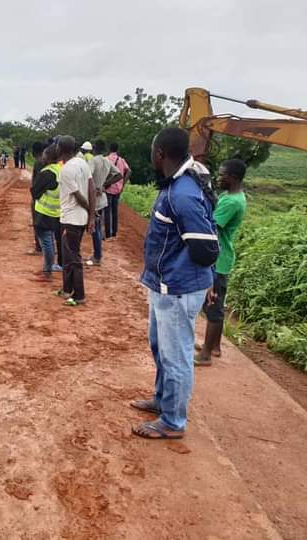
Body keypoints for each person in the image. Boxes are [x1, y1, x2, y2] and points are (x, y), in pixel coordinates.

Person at [131, 127, 219, 440]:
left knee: (176, 355)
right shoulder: (176, 185)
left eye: (152, 152)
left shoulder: (183, 193)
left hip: (178, 289)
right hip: (164, 285)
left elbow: (207, 247)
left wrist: (195, 276)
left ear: (160, 154)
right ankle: (162, 400)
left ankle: (173, 422)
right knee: (160, 348)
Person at [195, 159, 247, 366]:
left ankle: (206, 354)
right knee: (217, 303)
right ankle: (214, 347)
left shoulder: (231, 202)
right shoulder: (231, 196)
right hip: (223, 257)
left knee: (213, 306)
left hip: (218, 258)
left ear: (233, 177)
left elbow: (211, 224)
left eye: (222, 174)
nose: (219, 177)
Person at [55, 136, 94, 306]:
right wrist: (91, 214)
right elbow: (91, 188)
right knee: (69, 255)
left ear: (60, 149)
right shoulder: (82, 163)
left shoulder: (66, 170)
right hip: (79, 218)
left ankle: (79, 295)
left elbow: (79, 196)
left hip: (71, 218)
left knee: (73, 257)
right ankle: (66, 289)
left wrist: (91, 212)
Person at [85, 140, 122, 266]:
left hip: (93, 197)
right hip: (102, 196)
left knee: (94, 227)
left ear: (94, 148)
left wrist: (96, 187)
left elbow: (87, 177)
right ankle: (97, 254)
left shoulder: (93, 161)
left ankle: (97, 256)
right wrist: (105, 184)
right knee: (97, 226)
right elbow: (119, 175)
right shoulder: (107, 161)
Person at [31, 144, 62, 279]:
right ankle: (47, 268)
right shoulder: (61, 169)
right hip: (57, 211)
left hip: (44, 212)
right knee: (50, 240)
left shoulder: (47, 173)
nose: (42, 156)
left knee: (46, 241)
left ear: (49, 157)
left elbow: (34, 191)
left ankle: (47, 271)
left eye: (44, 154)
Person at [104, 143, 132, 240]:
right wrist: (122, 183)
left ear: (109, 149)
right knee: (115, 211)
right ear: (117, 149)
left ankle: (107, 234)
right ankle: (114, 233)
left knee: (107, 211)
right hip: (118, 189)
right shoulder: (121, 160)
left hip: (107, 188)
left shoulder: (106, 159)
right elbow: (129, 171)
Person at [29, 141, 47, 255]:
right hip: (47, 196)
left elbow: (36, 182)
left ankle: (39, 247)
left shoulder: (38, 163)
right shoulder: (47, 161)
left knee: (37, 221)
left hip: (38, 196)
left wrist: (34, 195)